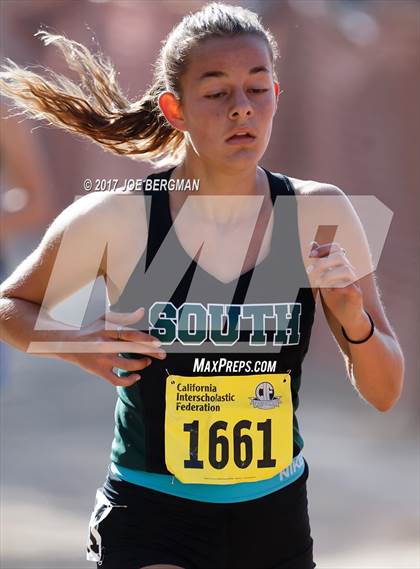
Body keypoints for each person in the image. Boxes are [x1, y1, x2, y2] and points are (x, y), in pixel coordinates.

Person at [0, 3, 404, 569]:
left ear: (276, 96)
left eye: (257, 88)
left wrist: (352, 316)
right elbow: (11, 305)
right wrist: (75, 343)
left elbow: (385, 392)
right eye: (216, 93)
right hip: (151, 513)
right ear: (176, 108)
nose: (242, 108)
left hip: (274, 515)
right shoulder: (120, 218)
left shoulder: (319, 213)